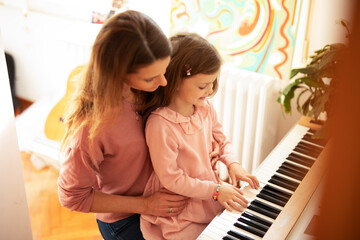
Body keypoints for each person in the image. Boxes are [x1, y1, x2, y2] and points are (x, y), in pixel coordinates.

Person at [57, 10, 190, 240]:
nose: (164, 82)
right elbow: (71, 197)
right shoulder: (90, 129)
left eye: (164, 71)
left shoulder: (149, 90)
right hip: (124, 220)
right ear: (118, 74)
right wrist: (146, 205)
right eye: (151, 78)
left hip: (159, 198)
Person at [139, 33, 260, 240]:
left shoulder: (205, 108)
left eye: (213, 83)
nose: (211, 90)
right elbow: (172, 179)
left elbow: (222, 141)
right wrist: (216, 190)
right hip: (178, 210)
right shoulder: (160, 124)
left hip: (207, 196)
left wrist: (233, 164)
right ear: (175, 81)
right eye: (203, 86)